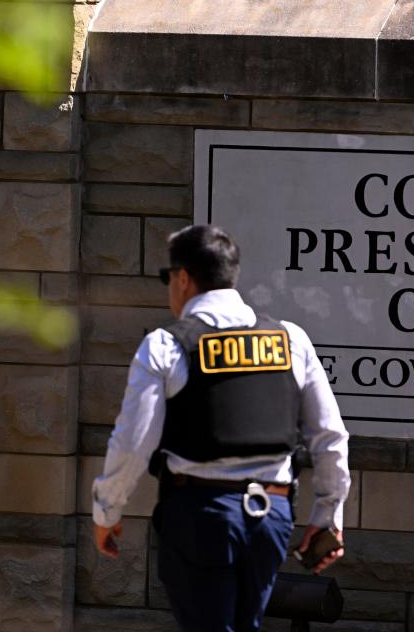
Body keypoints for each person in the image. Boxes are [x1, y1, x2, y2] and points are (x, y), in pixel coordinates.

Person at [92, 224, 351, 632]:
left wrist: (107, 511)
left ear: (182, 278)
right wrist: (327, 513)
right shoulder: (291, 340)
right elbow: (330, 437)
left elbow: (133, 443)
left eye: (168, 278)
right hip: (271, 515)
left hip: (201, 515)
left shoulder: (166, 345)